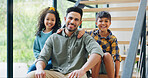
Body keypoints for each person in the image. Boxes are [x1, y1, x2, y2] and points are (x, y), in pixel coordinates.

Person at [26, 6, 104, 78]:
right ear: (65, 19)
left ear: (80, 23)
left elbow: (97, 52)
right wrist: (39, 69)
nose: (72, 22)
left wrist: (83, 70)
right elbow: (42, 57)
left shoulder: (84, 37)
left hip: (77, 74)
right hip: (56, 73)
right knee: (30, 76)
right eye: (70, 18)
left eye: (76, 19)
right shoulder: (54, 37)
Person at [77, 11, 121, 78]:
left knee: (107, 55)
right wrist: (82, 29)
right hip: (95, 65)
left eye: (106, 21)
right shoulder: (92, 34)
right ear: (96, 23)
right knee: (97, 55)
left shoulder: (112, 38)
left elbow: (117, 57)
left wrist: (117, 76)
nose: (103, 23)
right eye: (100, 21)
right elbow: (78, 31)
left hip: (108, 66)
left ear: (110, 23)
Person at [27, 7, 61, 73]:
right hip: (41, 59)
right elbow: (36, 49)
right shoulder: (39, 35)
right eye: (47, 19)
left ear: (56, 21)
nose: (50, 22)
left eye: (52, 20)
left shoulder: (57, 33)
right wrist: (40, 58)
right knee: (31, 70)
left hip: (53, 61)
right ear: (43, 20)